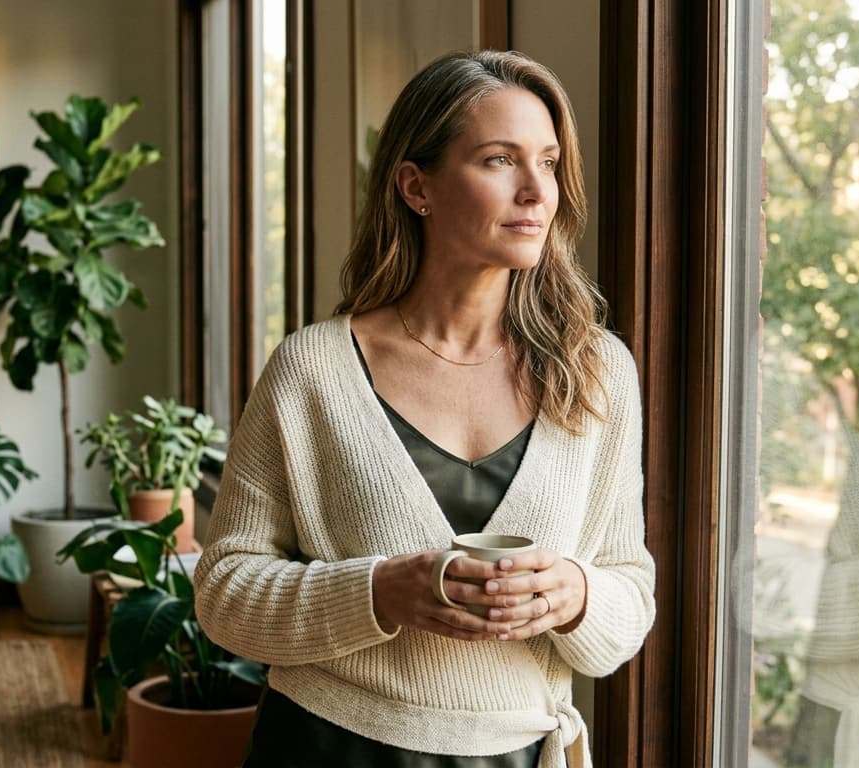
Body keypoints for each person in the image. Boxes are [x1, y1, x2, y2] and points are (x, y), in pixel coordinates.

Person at [193, 49, 655, 768]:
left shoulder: (596, 373)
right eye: (501, 161)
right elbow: (224, 593)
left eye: (549, 161)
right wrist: (378, 593)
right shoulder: (313, 369)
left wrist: (577, 594)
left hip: (518, 755)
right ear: (417, 187)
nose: (538, 191)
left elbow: (628, 598)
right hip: (326, 748)